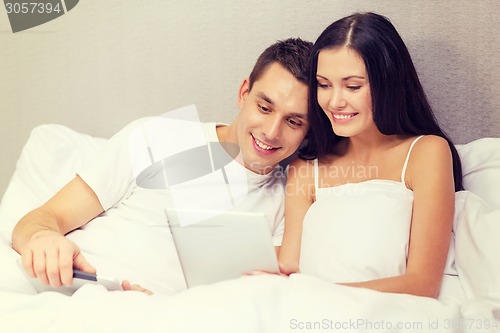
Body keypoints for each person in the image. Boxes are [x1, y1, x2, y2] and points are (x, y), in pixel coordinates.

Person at [12, 37, 312, 294]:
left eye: (293, 121)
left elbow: (260, 293)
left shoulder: (289, 201)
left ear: (308, 131)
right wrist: (44, 240)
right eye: (264, 107)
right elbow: (42, 218)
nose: (272, 132)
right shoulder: (158, 135)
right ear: (243, 93)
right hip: (76, 287)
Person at [278, 12, 463, 298]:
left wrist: (324, 297)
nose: (335, 101)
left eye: (352, 86)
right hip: (309, 310)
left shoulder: (426, 153)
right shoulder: (305, 167)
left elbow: (422, 284)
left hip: (382, 311)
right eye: (324, 85)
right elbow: (290, 263)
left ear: (387, 82)